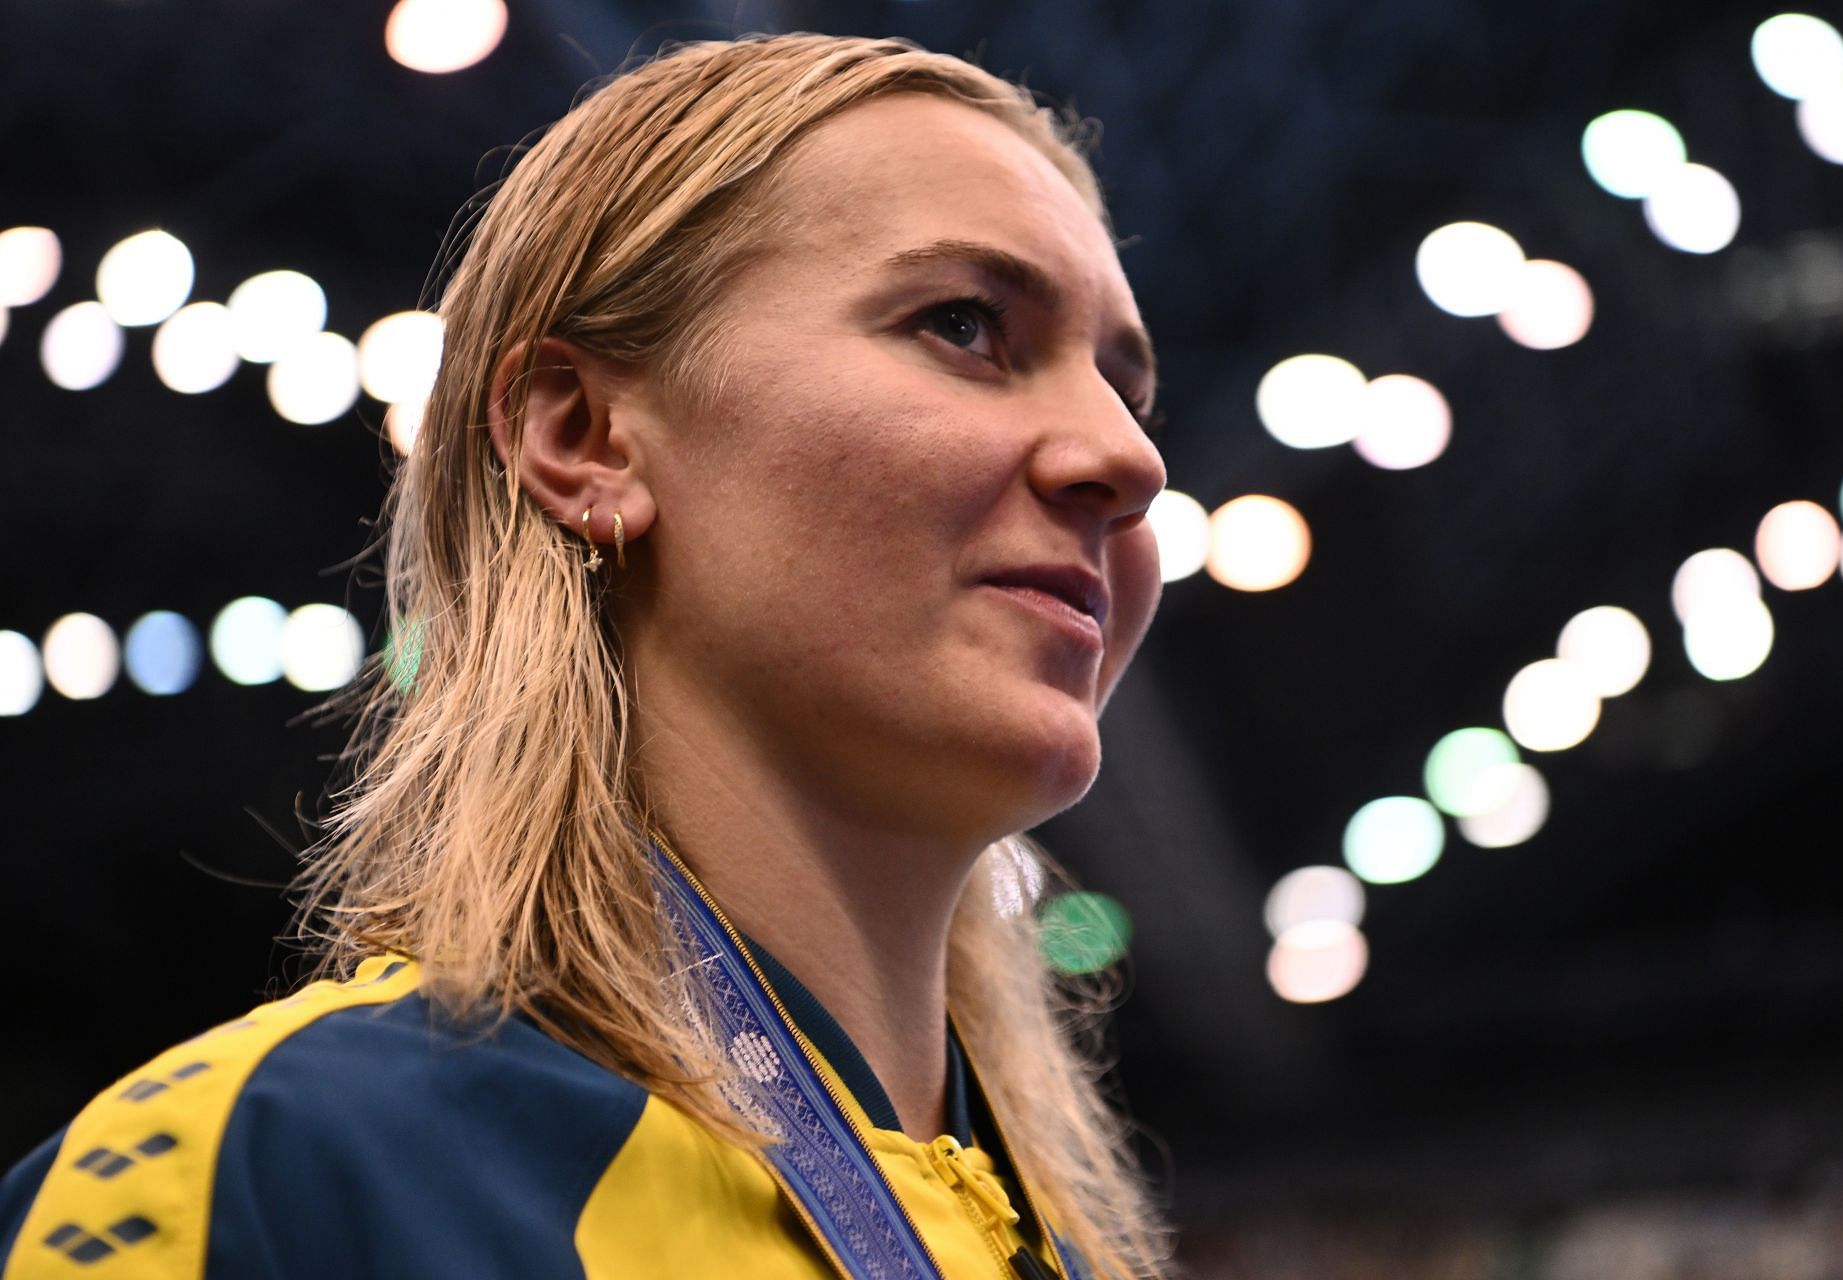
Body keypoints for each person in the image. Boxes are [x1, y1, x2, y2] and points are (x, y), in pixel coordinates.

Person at [0, 31, 1172, 1279]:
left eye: (1128, 387)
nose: (1132, 459)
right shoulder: (269, 1175)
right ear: (585, 434)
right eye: (965, 324)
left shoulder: (1072, 1255)